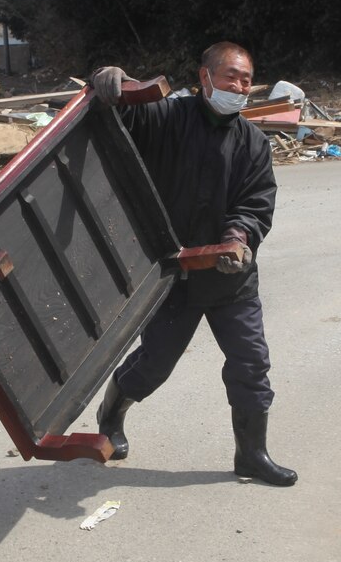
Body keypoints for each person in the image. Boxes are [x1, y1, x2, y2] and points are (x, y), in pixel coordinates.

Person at [90, 42, 297, 486]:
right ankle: (111, 414)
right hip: (173, 277)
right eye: (231, 77)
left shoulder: (253, 143)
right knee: (154, 365)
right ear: (205, 78)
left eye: (246, 79)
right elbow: (122, 117)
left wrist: (238, 240)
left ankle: (251, 455)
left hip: (230, 277)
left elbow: (256, 204)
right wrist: (113, 80)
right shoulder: (168, 117)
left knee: (251, 363)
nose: (239, 87)